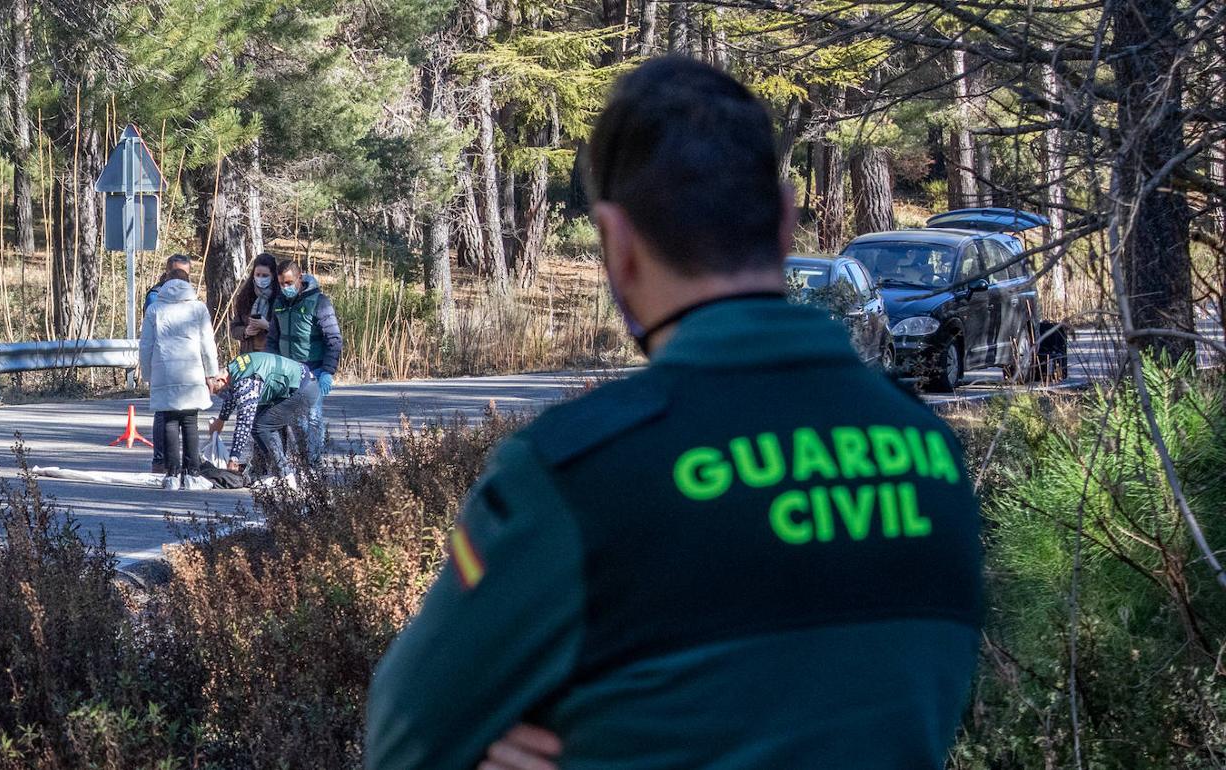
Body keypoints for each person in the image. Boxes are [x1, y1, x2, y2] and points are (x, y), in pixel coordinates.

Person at [365, 57, 983, 770]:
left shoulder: (574, 475)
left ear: (616, 244)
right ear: (785, 220)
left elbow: (404, 742)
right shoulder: (931, 452)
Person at [138, 267, 218, 491]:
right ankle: (192, 473)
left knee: (169, 420)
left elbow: (146, 345)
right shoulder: (198, 308)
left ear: (165, 282)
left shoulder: (155, 309)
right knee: (190, 421)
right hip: (192, 371)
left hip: (164, 371)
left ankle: (172, 474)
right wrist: (211, 373)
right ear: (188, 284)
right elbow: (207, 344)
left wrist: (147, 374)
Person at [265, 260, 342, 462]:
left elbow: (333, 338)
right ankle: (302, 459)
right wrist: (271, 368)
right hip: (288, 373)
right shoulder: (279, 303)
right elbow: (273, 338)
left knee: (313, 417)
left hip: (314, 371)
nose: (285, 287)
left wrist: (328, 371)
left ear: (300, 278)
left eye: (289, 282)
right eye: (281, 283)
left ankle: (313, 460)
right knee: (296, 421)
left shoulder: (319, 301)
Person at [207, 351, 319, 488]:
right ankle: (272, 470)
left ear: (221, 380)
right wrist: (221, 420)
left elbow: (244, 422)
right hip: (303, 383)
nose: (217, 395)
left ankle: (284, 475)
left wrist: (234, 458)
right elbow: (233, 395)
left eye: (216, 391)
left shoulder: (246, 381)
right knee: (265, 421)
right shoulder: (234, 369)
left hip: (303, 390)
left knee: (260, 426)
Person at [145, 253, 195, 475]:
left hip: (187, 368)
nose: (181, 279)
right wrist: (147, 371)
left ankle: (188, 465)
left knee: (188, 418)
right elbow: (148, 340)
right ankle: (162, 460)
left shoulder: (193, 300)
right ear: (167, 273)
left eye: (186, 274)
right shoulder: (155, 299)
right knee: (165, 417)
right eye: (177, 273)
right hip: (164, 364)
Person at [229, 253, 279, 355]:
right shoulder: (244, 297)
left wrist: (267, 326)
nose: (261, 279)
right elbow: (234, 328)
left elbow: (286, 332)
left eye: (265, 275)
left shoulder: (280, 298)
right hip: (248, 354)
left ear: (273, 276)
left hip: (272, 354)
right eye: (258, 275)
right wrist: (245, 331)